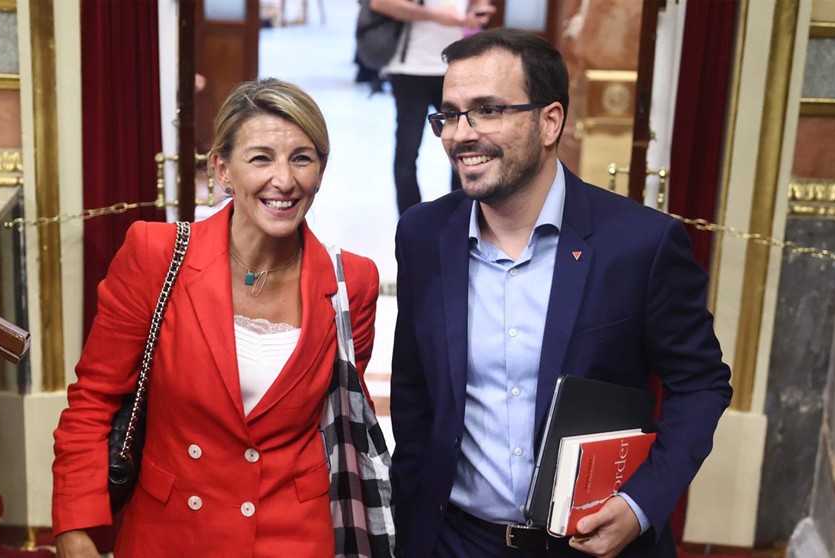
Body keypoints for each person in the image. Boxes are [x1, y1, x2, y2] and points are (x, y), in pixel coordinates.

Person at [390, 28, 733, 557]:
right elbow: (415, 393)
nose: (461, 134)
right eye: (450, 114)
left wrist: (642, 504)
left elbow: (702, 384)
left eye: (486, 110)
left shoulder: (639, 245)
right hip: (455, 540)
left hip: (592, 545)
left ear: (549, 121)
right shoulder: (422, 236)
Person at [52, 78, 381, 557]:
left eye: (302, 158)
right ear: (222, 170)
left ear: (321, 171)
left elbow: (335, 417)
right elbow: (93, 401)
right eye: (261, 157)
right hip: (170, 532)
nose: (284, 180)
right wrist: (74, 527)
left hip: (294, 536)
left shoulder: (354, 281)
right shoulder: (155, 255)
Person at [368, 0, 494, 215]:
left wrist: (476, 13)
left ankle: (464, 215)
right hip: (409, 69)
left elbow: (477, 4)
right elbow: (380, 4)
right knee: (407, 151)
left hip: (453, 68)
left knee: (465, 144)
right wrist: (436, 16)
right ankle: (411, 221)